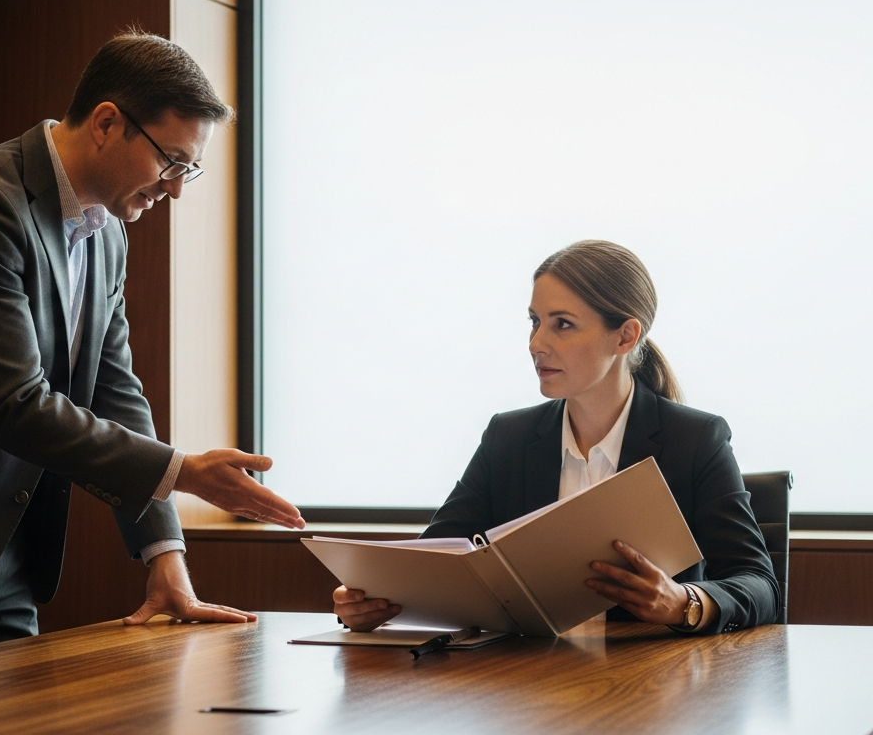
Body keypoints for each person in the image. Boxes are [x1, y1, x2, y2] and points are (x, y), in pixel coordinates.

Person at [0, 31, 305, 668]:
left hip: (1, 548)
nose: (175, 189)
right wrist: (182, 469)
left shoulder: (106, 234)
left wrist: (165, 556)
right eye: (170, 162)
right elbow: (15, 404)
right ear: (106, 123)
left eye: (188, 169)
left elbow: (115, 391)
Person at [333, 240, 779, 634]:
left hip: (649, 688)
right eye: (534, 321)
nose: (535, 343)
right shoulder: (508, 437)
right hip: (525, 688)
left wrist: (684, 603)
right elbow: (434, 562)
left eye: (562, 324)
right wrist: (370, 602)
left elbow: (759, 584)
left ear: (625, 335)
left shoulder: (695, 439)